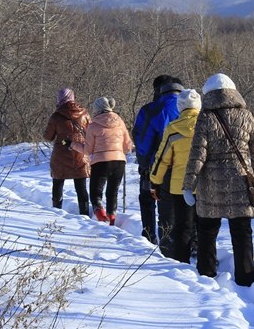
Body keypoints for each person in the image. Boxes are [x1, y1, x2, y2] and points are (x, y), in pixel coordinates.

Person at [182, 73, 254, 287]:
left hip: (210, 185)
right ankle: (246, 278)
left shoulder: (206, 118)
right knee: (242, 232)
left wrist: (188, 186)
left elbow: (197, 155)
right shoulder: (247, 115)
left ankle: (207, 275)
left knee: (207, 231)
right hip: (240, 182)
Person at [149, 88, 201, 263]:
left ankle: (182, 263)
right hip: (205, 184)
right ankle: (206, 262)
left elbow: (162, 158)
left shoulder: (173, 128)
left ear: (180, 107)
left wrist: (155, 182)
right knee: (205, 226)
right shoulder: (207, 125)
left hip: (180, 186)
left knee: (182, 227)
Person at [132, 75, 184, 245]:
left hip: (156, 165)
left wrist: (144, 164)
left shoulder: (151, 110)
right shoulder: (191, 107)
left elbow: (142, 140)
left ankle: (150, 237)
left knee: (149, 200)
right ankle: (190, 244)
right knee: (185, 205)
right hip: (185, 165)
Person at [72, 96, 133, 225]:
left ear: (97, 110)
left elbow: (88, 150)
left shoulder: (93, 125)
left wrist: (72, 144)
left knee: (95, 193)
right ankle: (111, 220)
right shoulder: (120, 122)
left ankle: (101, 217)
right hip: (119, 162)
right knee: (113, 192)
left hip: (101, 162)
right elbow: (128, 147)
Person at [43, 87, 91, 216]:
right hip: (80, 153)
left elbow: (48, 136)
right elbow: (91, 134)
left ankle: (56, 211)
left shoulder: (56, 116)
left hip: (61, 155)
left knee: (58, 182)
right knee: (81, 186)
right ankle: (85, 213)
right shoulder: (84, 113)